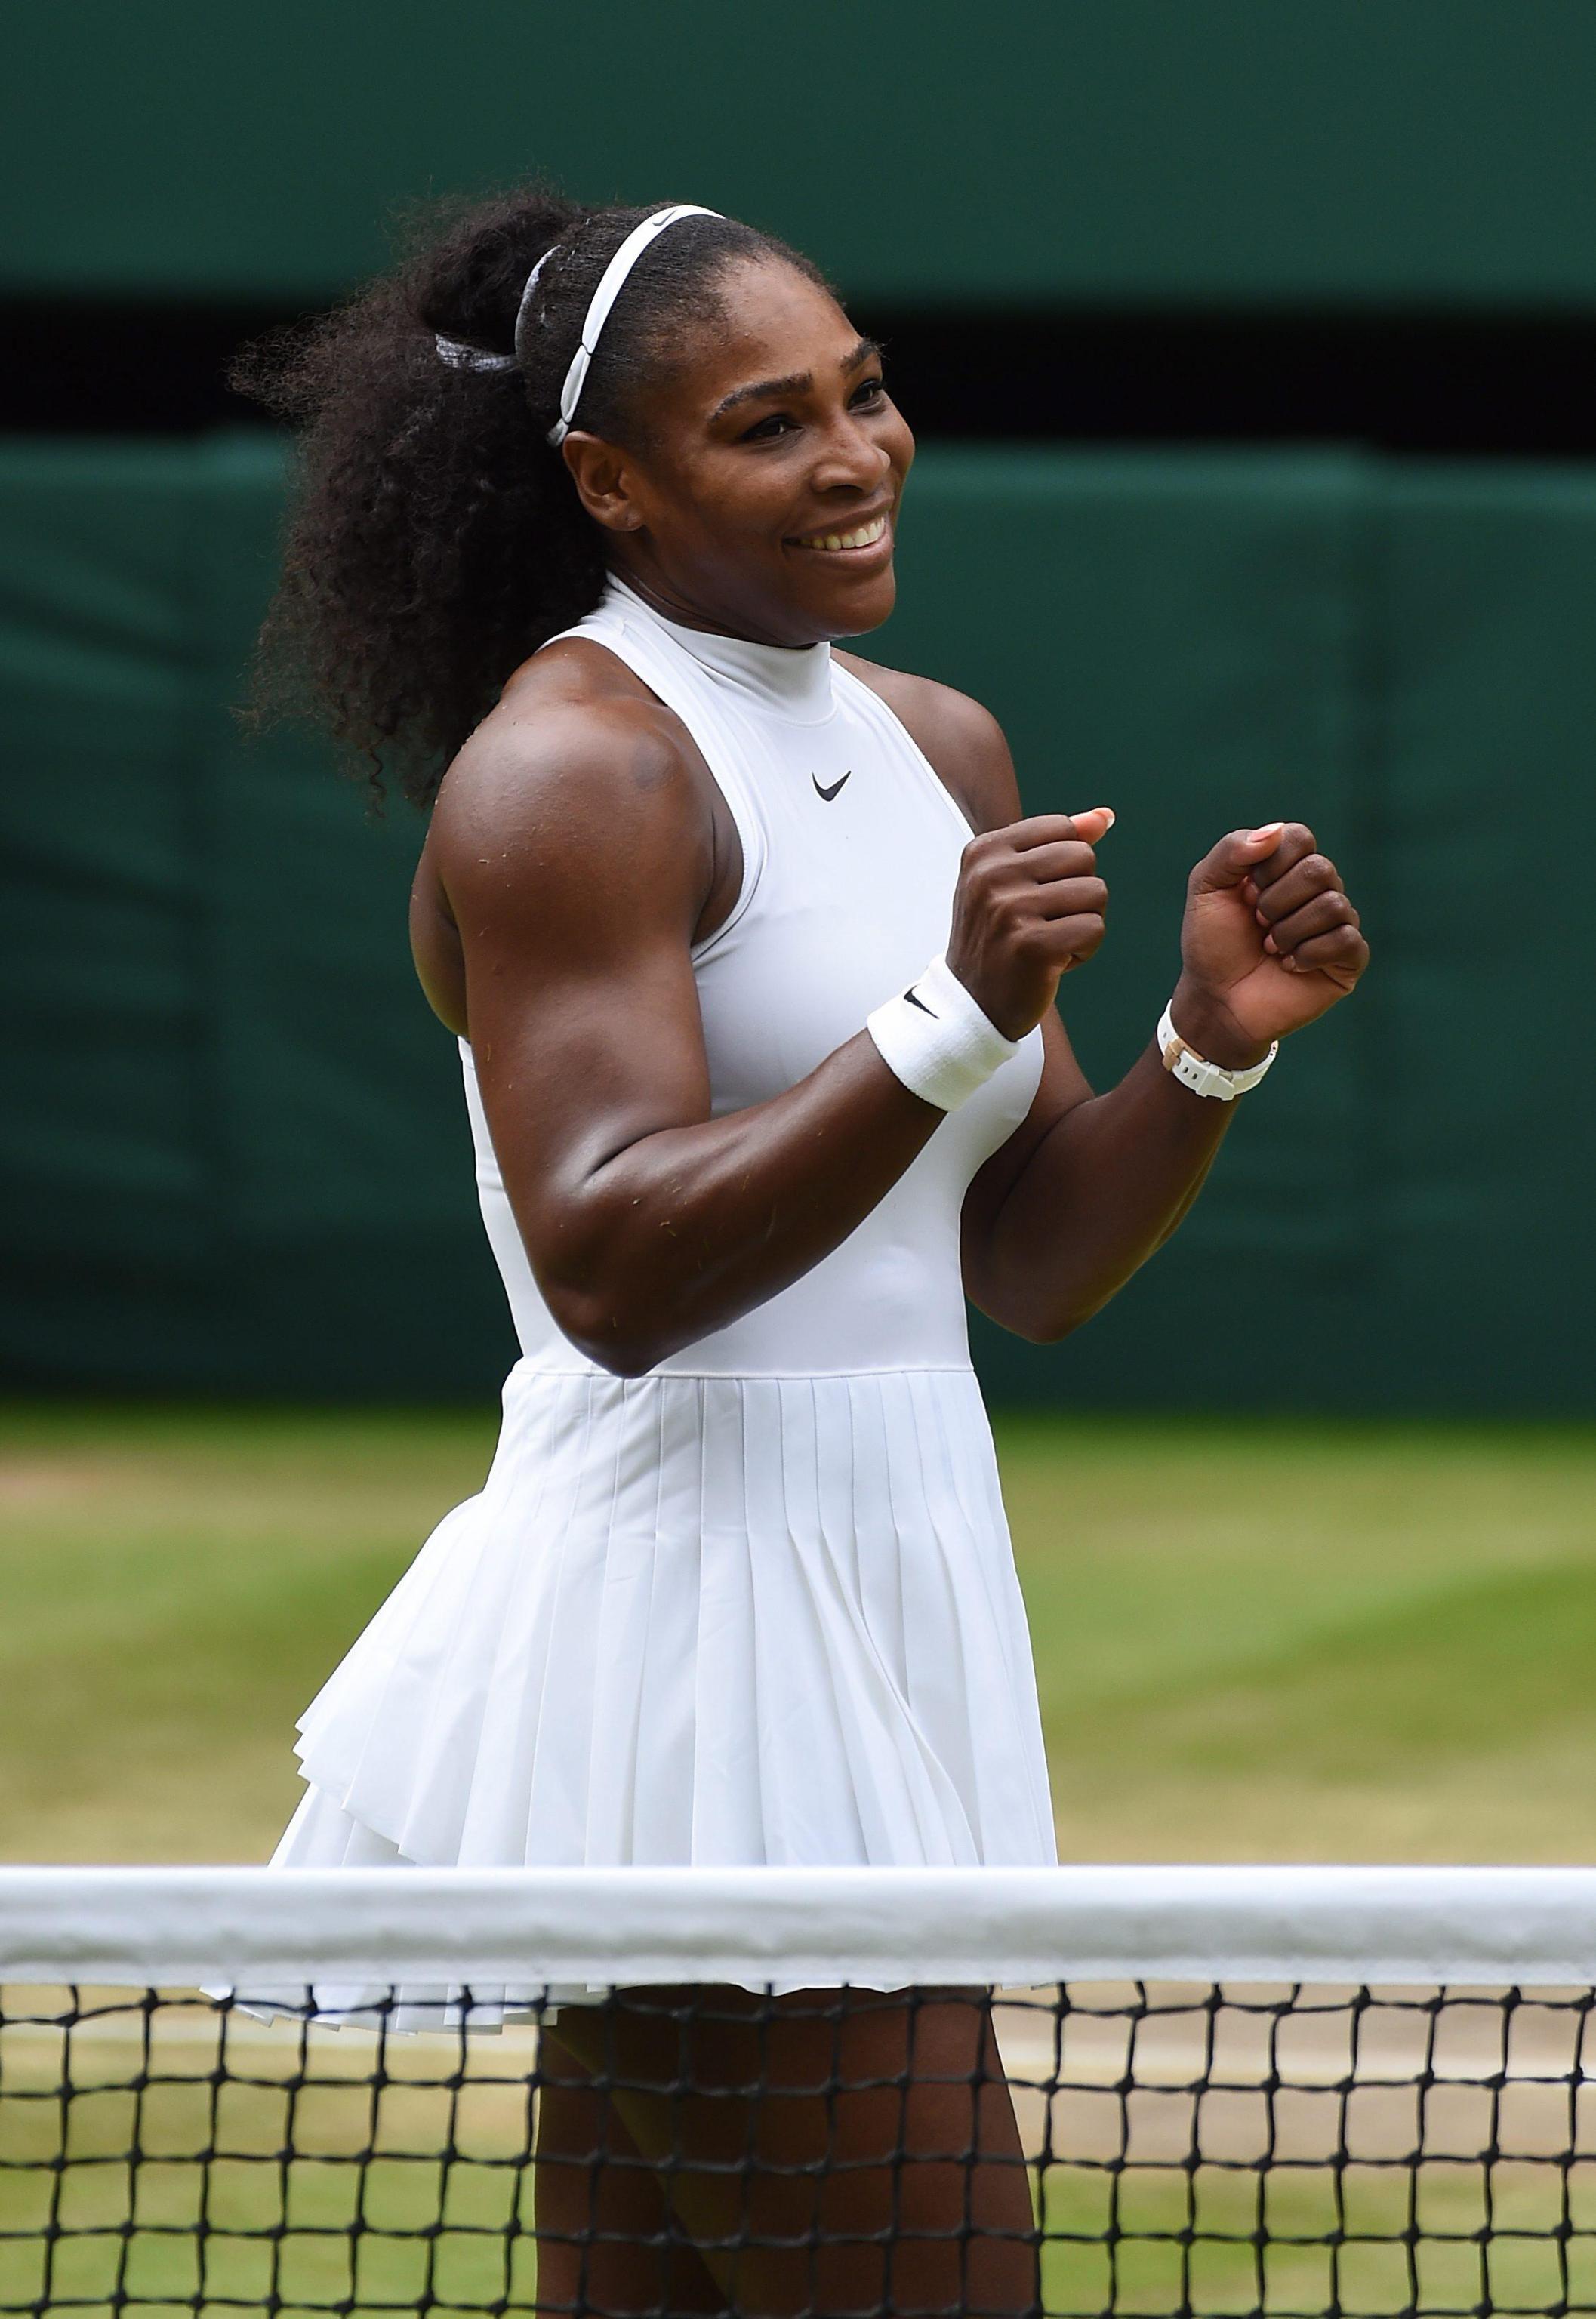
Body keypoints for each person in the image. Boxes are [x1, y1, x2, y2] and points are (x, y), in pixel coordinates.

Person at [234, 189, 1370, 2316]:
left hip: (893, 1582)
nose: (855, 455)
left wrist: (1206, 1045)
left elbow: (1027, 1263)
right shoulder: (575, 770)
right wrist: (943, 1013)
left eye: (862, 394)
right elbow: (610, 1272)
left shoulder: (937, 744)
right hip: (689, 1645)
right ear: (611, 483)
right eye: (768, 425)